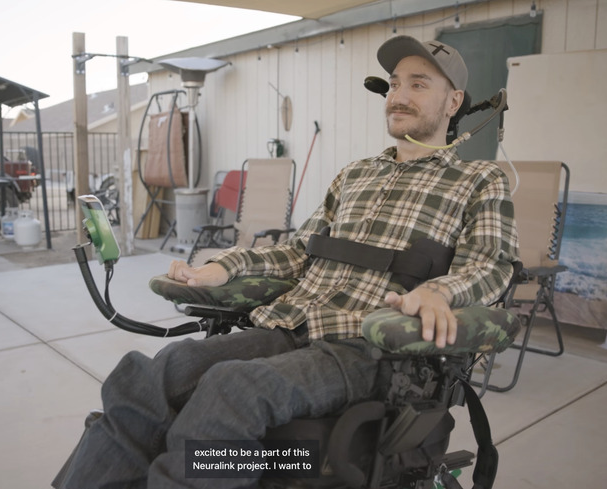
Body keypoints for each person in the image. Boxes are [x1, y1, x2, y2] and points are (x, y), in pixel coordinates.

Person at [54, 35, 519, 489]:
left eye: (419, 84)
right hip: (292, 324)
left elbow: (493, 265)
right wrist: (225, 267)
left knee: (232, 391)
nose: (399, 95)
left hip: (368, 347)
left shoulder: (478, 179)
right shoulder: (355, 174)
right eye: (394, 83)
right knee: (144, 375)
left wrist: (438, 292)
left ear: (453, 101)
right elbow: (299, 251)